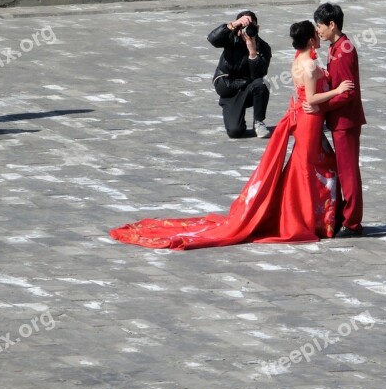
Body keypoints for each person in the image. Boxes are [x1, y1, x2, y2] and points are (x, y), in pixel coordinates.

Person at [109, 20, 354, 249]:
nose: (318, 36)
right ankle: (309, 219)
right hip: (309, 121)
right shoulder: (309, 65)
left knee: (308, 167)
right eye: (316, 34)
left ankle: (312, 216)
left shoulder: (300, 59)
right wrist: (338, 90)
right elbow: (311, 98)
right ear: (311, 40)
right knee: (311, 169)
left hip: (304, 118)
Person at [310, 3, 366, 238]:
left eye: (320, 26)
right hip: (341, 121)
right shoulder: (337, 47)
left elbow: (346, 93)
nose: (318, 31)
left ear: (332, 25)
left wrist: (322, 106)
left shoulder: (343, 51)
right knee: (344, 170)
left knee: (348, 172)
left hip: (345, 121)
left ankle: (352, 222)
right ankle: (345, 216)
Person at [207, 11, 272, 138]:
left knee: (261, 83)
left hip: (248, 89)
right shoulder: (231, 38)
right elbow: (212, 39)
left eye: (251, 27)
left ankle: (258, 122)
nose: (246, 31)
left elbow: (259, 75)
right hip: (229, 89)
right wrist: (233, 25)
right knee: (235, 132)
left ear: (257, 28)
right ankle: (236, 117)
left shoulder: (263, 47)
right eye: (243, 27)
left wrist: (252, 52)